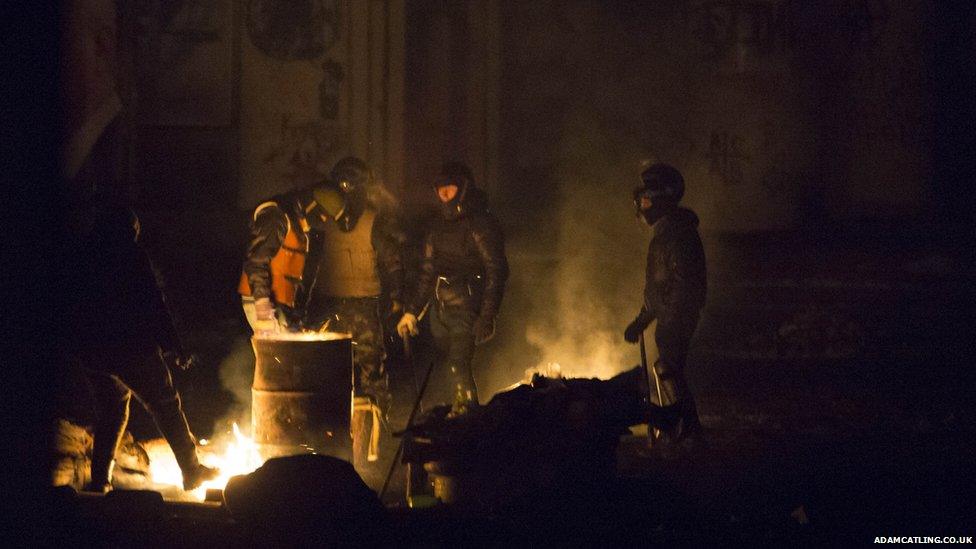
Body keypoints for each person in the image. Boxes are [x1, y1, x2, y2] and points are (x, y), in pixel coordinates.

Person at [62, 0, 216, 492]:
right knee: (164, 400)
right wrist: (173, 344)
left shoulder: (84, 250)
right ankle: (193, 469)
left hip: (89, 344)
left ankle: (98, 481)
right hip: (125, 341)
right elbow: (148, 297)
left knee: (113, 408)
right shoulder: (124, 252)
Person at [397, 162, 509, 412]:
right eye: (440, 189)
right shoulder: (437, 228)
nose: (444, 194)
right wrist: (411, 312)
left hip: (468, 309)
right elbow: (427, 272)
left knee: (458, 366)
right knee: (447, 370)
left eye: (450, 188)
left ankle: (469, 420)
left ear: (463, 188)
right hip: (442, 312)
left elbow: (496, 270)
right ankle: (455, 420)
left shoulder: (481, 224)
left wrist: (488, 315)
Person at [303, 157, 405, 421]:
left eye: (350, 184)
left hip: (360, 304)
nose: (346, 190)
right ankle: (336, 429)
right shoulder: (325, 219)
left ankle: (375, 428)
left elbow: (392, 262)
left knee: (370, 371)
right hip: (334, 303)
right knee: (335, 371)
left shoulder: (372, 220)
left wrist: (396, 297)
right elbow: (309, 262)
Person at [623, 163, 706, 443]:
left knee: (668, 368)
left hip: (679, 315)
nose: (642, 207)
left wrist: (671, 319)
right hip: (673, 315)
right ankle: (682, 427)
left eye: (646, 200)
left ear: (661, 201)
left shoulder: (678, 235)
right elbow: (658, 288)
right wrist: (642, 320)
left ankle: (686, 429)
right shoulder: (666, 234)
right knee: (666, 367)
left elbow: (684, 284)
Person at [238, 182, 346, 333]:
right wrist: (262, 304)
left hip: (283, 305)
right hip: (262, 302)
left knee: (289, 353)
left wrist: (298, 313)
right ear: (313, 204)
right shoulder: (276, 217)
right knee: (279, 354)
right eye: (323, 214)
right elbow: (256, 261)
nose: (324, 219)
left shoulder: (300, 225)